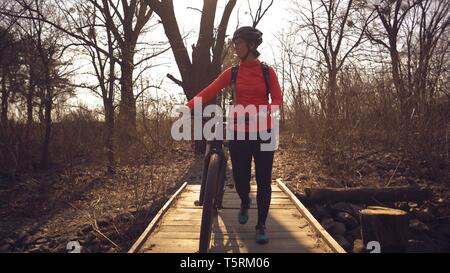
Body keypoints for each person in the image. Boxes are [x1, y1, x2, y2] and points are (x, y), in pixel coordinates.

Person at [185, 26, 283, 244]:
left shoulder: (268, 72)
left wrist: (266, 110)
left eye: (238, 42)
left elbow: (277, 99)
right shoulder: (233, 72)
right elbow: (210, 89)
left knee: (264, 180)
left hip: (265, 132)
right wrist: (189, 105)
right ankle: (245, 201)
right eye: (235, 42)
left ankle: (261, 224)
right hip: (239, 132)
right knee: (240, 178)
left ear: (251, 45)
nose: (235, 46)